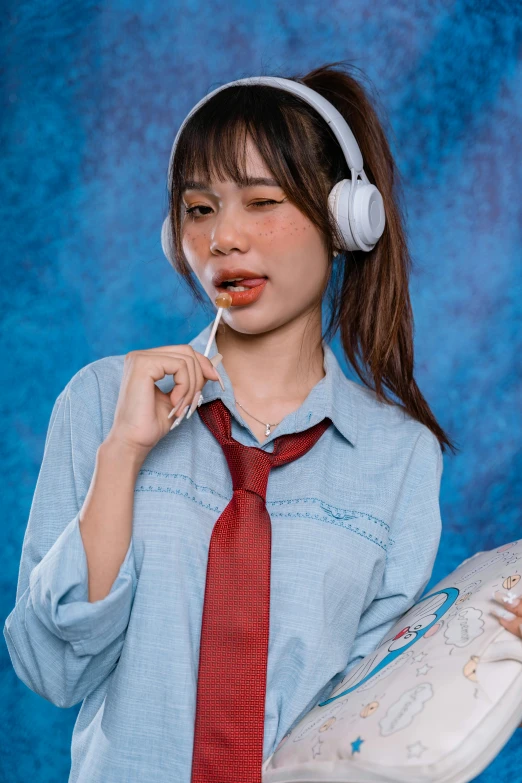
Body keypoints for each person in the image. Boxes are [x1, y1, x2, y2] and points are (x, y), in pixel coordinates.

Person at [4, 61, 459, 782]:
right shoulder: (101, 401)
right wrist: (123, 453)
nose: (224, 238)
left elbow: (377, 728)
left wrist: (493, 672)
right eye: (200, 208)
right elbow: (51, 667)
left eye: (262, 201)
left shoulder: (400, 458)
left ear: (343, 222)